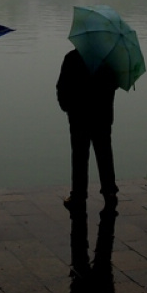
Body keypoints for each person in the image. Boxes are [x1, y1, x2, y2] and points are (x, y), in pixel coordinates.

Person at [56, 48, 119, 212]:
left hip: (78, 116)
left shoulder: (72, 57)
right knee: (104, 154)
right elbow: (116, 83)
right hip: (102, 116)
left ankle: (78, 195)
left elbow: (62, 86)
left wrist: (67, 107)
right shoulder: (108, 58)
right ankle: (109, 191)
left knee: (79, 157)